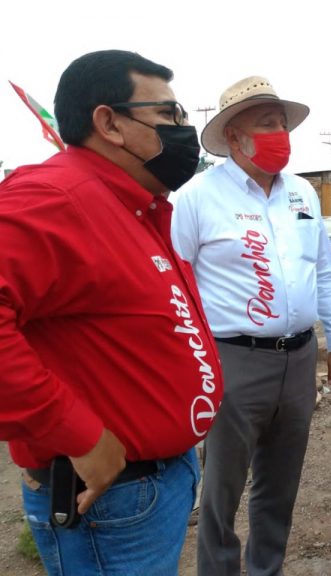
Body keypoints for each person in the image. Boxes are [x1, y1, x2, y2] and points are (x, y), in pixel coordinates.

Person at [0, 50, 222, 574]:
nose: (183, 129)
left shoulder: (133, 205)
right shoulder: (56, 198)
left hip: (152, 484)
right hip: (108, 499)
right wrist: (75, 431)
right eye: (168, 113)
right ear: (109, 123)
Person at [171, 75, 331, 576]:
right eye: (267, 124)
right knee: (222, 489)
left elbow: (325, 271)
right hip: (233, 361)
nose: (281, 134)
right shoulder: (197, 198)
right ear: (234, 136)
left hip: (299, 358)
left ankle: (265, 568)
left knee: (281, 484)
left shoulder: (302, 194)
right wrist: (189, 365)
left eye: (283, 124)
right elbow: (175, 288)